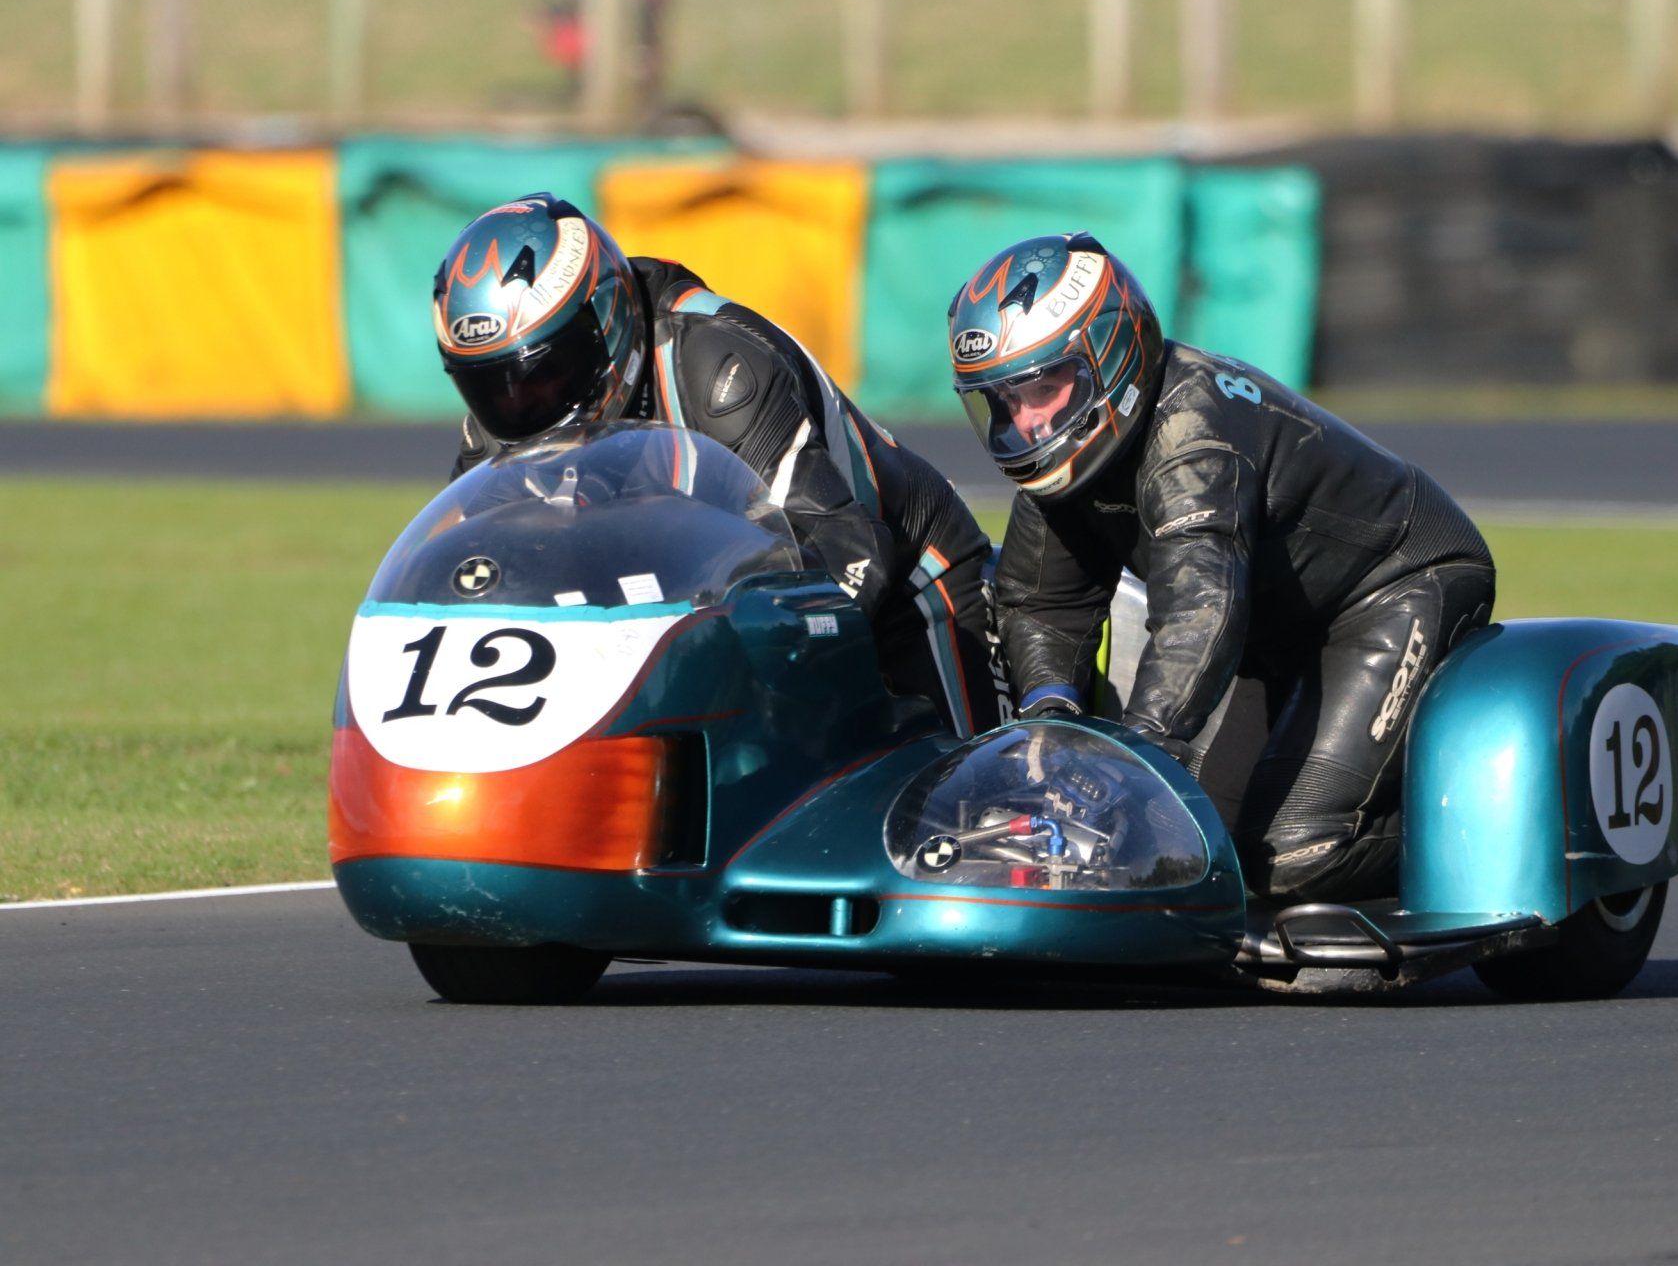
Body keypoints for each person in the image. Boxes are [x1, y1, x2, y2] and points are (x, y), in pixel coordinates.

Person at [949, 232, 1496, 905]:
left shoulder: (1192, 434)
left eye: (1043, 388)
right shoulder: (1070, 456)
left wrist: (1133, 758)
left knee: (1291, 856)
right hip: (1264, 630)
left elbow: (1197, 613)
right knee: (1191, 848)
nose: (1027, 422)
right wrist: (1049, 718)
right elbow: (1041, 604)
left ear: (1110, 352)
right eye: (1004, 402)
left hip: (1394, 588)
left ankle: (1484, 834)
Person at [434, 192, 1005, 738]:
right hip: (718, 602)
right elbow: (467, 582)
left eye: (547, 373)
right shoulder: (501, 430)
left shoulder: (717, 367)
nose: (522, 406)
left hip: (908, 584)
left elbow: (848, 553)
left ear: (606, 321)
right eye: (492, 390)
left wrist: (720, 663)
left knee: (966, 802)